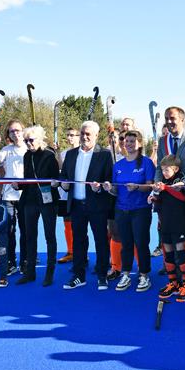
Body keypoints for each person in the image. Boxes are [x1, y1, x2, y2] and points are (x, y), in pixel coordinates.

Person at [155, 107, 185, 294]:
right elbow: (159, 167)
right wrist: (157, 183)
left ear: (182, 120)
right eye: (167, 118)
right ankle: (176, 280)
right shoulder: (163, 141)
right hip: (168, 201)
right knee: (170, 239)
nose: (169, 121)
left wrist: (183, 183)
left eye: (173, 118)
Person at [60, 121, 114, 291]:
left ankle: (102, 275)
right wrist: (63, 184)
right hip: (76, 205)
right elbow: (64, 177)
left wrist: (101, 187)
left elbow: (109, 180)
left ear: (96, 135)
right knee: (78, 241)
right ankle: (79, 275)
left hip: (97, 205)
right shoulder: (70, 154)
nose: (84, 137)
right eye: (82, 133)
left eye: (88, 134)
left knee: (101, 241)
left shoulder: (104, 155)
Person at [103, 130, 156, 292]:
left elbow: (150, 186)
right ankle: (125, 273)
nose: (129, 144)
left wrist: (137, 187)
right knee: (125, 243)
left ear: (139, 143)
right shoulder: (118, 166)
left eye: (132, 141)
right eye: (127, 141)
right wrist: (108, 188)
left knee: (141, 243)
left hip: (140, 209)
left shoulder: (147, 163)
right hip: (121, 209)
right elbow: (115, 190)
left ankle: (144, 275)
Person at [15, 125, 60, 287]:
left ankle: (49, 272)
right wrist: (18, 185)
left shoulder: (49, 155)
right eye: (25, 140)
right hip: (30, 200)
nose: (28, 143)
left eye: (31, 140)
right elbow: (28, 179)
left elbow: (56, 178)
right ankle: (30, 272)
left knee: (50, 236)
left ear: (40, 139)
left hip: (47, 200)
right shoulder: (27, 155)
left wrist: (55, 183)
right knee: (29, 236)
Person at [153, 155, 185, 303]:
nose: (164, 173)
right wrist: (154, 198)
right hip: (165, 224)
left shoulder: (180, 180)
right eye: (162, 170)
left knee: (181, 254)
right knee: (168, 255)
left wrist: (166, 188)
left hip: (179, 224)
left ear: (175, 169)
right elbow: (161, 200)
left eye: (167, 170)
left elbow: (182, 198)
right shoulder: (163, 182)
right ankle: (173, 283)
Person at [0, 119, 27, 276]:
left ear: (23, 131)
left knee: (26, 230)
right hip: (9, 196)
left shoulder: (29, 148)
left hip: (26, 196)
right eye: (12, 131)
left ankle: (25, 261)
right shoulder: (6, 149)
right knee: (9, 231)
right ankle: (11, 262)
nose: (15, 133)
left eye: (17, 130)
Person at [55, 127, 80, 265]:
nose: (69, 137)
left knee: (80, 225)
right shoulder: (64, 153)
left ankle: (81, 252)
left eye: (72, 135)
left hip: (79, 194)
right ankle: (70, 252)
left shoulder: (84, 153)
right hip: (65, 194)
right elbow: (61, 169)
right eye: (68, 135)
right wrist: (58, 153)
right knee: (67, 221)